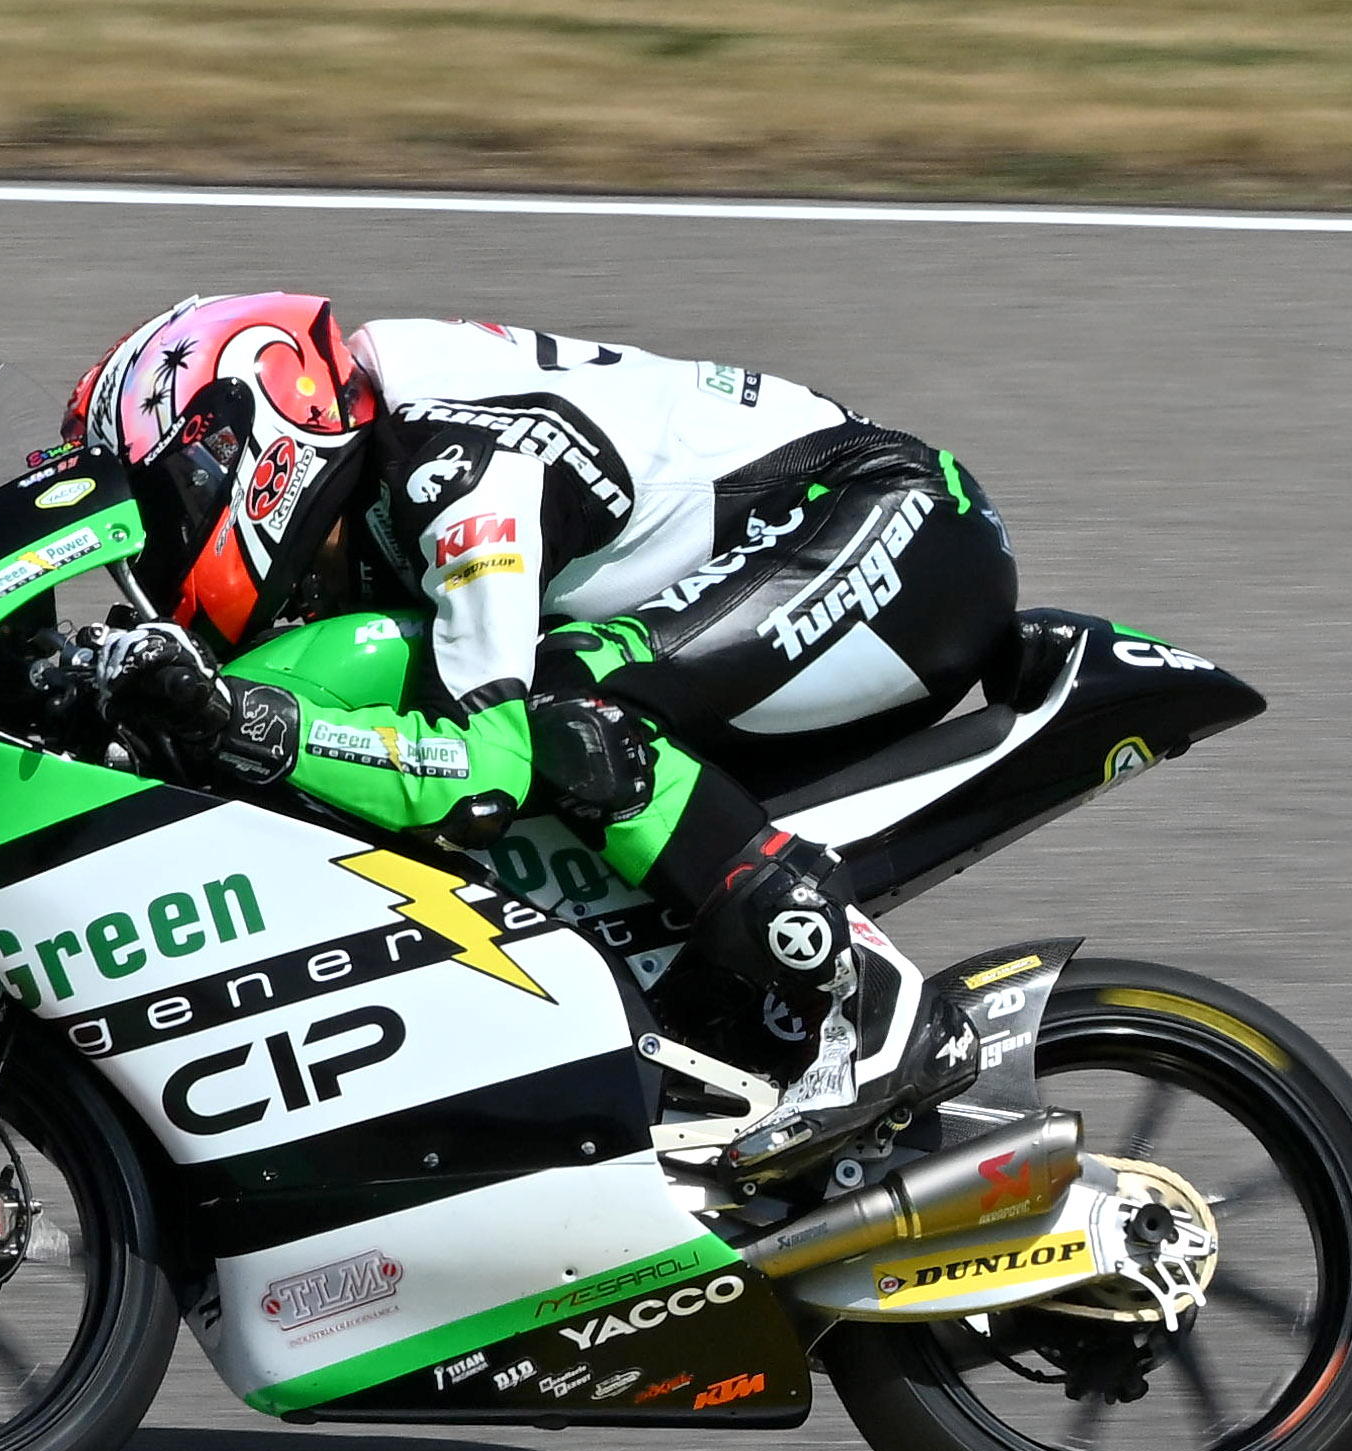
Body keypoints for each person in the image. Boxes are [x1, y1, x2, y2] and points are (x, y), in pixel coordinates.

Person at [57, 293, 1024, 1165]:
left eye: (162, 511)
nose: (153, 559)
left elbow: (479, 779)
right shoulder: (379, 459)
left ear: (251, 453)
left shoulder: (451, 467)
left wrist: (259, 726)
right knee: (544, 699)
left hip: (900, 521)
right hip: (805, 546)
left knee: (571, 715)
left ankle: (870, 998)